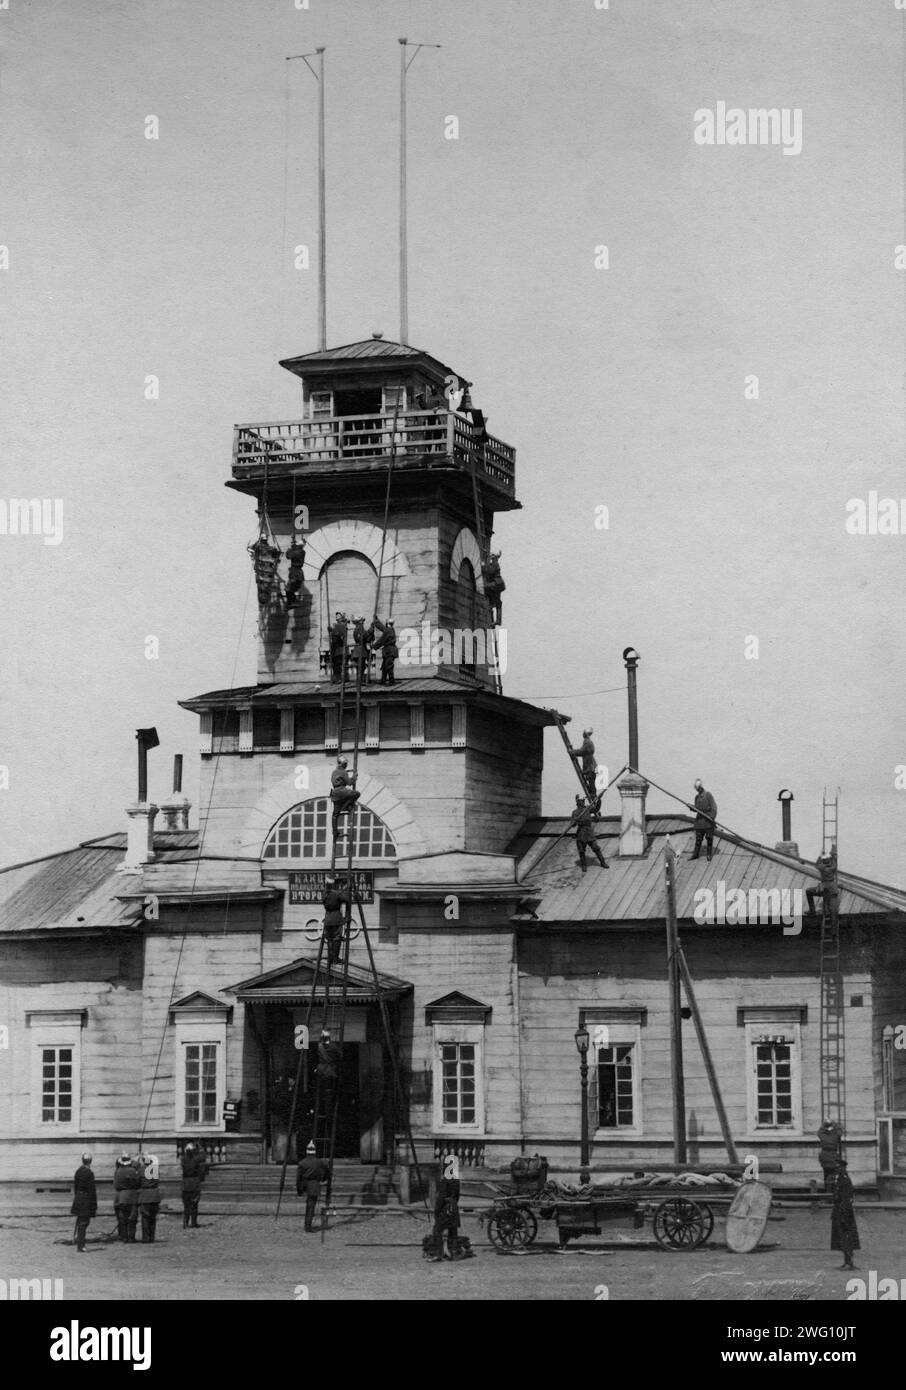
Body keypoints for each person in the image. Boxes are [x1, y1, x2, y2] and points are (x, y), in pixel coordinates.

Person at [831, 1158, 860, 1270]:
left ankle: (849, 1262)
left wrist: (844, 1215)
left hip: (844, 1213)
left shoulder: (845, 1180)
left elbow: (847, 1199)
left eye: (839, 1168)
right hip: (839, 1211)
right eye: (836, 1168)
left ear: (843, 1168)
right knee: (842, 1238)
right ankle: (846, 1261)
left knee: (847, 1238)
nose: (837, 1170)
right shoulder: (839, 1180)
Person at [428, 1176, 464, 1261]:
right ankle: (454, 1253)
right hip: (453, 1206)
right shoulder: (456, 1180)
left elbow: (441, 1197)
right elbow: (457, 1196)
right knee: (453, 1231)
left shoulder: (445, 1181)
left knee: (437, 1230)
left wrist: (437, 1210)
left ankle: (438, 1254)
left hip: (445, 1208)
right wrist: (453, 1203)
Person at [296, 1140, 329, 1233]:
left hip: (306, 1184)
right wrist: (323, 1179)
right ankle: (308, 1226)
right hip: (314, 1185)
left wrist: (299, 1189)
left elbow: (298, 1178)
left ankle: (307, 1225)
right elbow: (327, 1171)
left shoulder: (302, 1163)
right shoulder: (319, 1162)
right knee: (311, 1206)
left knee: (309, 1206)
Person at [570, 795, 607, 871]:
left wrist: (599, 800)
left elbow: (596, 809)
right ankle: (584, 865)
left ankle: (603, 862)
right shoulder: (575, 812)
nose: (583, 802)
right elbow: (572, 825)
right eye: (581, 801)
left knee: (596, 848)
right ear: (578, 802)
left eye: (583, 801)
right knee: (581, 850)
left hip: (589, 831)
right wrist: (575, 821)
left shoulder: (587, 809)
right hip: (581, 832)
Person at [70, 1153, 97, 1253]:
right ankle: (81, 1246)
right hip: (86, 1200)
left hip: (78, 1198)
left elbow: (76, 1187)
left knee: (80, 1221)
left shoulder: (78, 1171)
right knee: (84, 1223)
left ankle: (79, 1242)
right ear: (91, 1161)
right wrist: (94, 1204)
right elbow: (92, 1190)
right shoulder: (89, 1173)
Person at [807, 848, 839, 926]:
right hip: (832, 889)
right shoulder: (833, 867)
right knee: (833, 911)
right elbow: (835, 860)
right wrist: (832, 855)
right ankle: (833, 930)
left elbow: (816, 864)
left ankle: (812, 911)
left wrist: (820, 855)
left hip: (824, 888)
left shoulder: (822, 868)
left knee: (808, 891)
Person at [321, 877, 349, 966]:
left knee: (329, 939)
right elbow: (347, 899)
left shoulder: (324, 894)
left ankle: (330, 958)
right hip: (336, 918)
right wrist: (345, 890)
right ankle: (335, 959)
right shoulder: (337, 894)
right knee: (337, 938)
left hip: (327, 919)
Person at [330, 757, 360, 836]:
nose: (346, 765)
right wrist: (355, 776)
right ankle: (346, 806)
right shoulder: (343, 772)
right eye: (346, 764)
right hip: (341, 791)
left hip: (334, 794)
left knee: (335, 814)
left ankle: (335, 832)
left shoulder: (334, 772)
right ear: (343, 764)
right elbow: (350, 782)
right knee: (356, 794)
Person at [248, 532, 281, 606]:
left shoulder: (258, 546)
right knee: (263, 585)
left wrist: (257, 541)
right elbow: (277, 556)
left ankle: (264, 598)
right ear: (266, 541)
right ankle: (264, 598)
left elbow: (249, 548)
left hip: (264, 572)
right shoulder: (271, 549)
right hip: (265, 572)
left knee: (264, 586)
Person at [113, 1151, 139, 1243]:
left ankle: (123, 1237)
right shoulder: (132, 1171)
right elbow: (137, 1183)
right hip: (131, 1197)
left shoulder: (118, 1171)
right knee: (132, 1218)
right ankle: (131, 1237)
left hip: (120, 1197)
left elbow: (115, 1185)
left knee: (122, 1218)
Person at [689, 779, 718, 861]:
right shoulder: (697, 797)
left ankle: (709, 854)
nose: (698, 790)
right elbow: (697, 809)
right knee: (698, 839)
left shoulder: (708, 795)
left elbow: (714, 807)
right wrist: (692, 807)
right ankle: (695, 854)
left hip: (708, 820)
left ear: (701, 787)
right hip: (699, 821)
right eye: (697, 789)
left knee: (709, 838)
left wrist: (711, 817)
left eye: (699, 788)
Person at [181, 1142, 207, 1229]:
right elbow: (203, 1157)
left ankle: (185, 1222)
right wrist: (200, 1148)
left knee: (186, 1205)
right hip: (195, 1183)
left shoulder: (183, 1159)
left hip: (185, 1184)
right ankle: (193, 1223)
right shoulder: (196, 1159)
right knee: (194, 1204)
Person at [138, 1155, 161, 1244]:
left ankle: (145, 1237)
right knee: (152, 1217)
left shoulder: (141, 1169)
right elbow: (157, 1181)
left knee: (145, 1217)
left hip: (145, 1195)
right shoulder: (154, 1169)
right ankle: (152, 1237)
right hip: (154, 1195)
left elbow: (138, 1181)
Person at [817, 1119, 843, 1191]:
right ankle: (830, 1192)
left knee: (826, 1174)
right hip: (833, 1155)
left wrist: (825, 1123)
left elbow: (819, 1131)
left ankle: (827, 1191)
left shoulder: (823, 1135)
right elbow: (840, 1131)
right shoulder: (835, 1135)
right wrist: (834, 1123)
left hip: (824, 1156)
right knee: (832, 1175)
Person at [372, 616, 398, 685]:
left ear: (387, 623)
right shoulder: (391, 629)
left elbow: (381, 641)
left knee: (388, 666)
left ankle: (391, 681)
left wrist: (374, 646)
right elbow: (383, 628)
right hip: (390, 650)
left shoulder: (387, 631)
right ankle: (383, 680)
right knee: (384, 666)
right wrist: (377, 621)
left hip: (389, 651)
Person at [481, 552, 505, 625]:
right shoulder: (493, 564)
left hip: (497, 583)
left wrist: (483, 566)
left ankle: (497, 620)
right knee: (497, 601)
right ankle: (496, 620)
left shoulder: (495, 564)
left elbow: (490, 572)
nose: (491, 558)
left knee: (485, 587)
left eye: (492, 557)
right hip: (497, 584)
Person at [571, 728, 597, 796]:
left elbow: (582, 751)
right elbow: (582, 751)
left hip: (589, 765)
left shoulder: (587, 742)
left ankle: (593, 795)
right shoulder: (588, 741)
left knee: (591, 780)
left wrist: (573, 752)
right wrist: (575, 751)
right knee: (591, 781)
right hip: (590, 764)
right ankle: (592, 794)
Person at [284, 537, 307, 607]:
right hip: (296, 573)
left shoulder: (301, 552)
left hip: (296, 574)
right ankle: (292, 602)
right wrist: (293, 546)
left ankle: (292, 603)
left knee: (288, 589)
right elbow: (289, 556)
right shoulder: (299, 550)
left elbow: (289, 555)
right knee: (289, 589)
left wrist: (293, 547)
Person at [328, 612, 348, 682]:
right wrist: (331, 630)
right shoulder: (336, 626)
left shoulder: (341, 626)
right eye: (337, 616)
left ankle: (339, 678)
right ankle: (336, 678)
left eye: (339, 616)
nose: (337, 617)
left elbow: (342, 636)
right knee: (335, 664)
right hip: (334, 647)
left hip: (339, 648)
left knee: (338, 664)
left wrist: (332, 630)